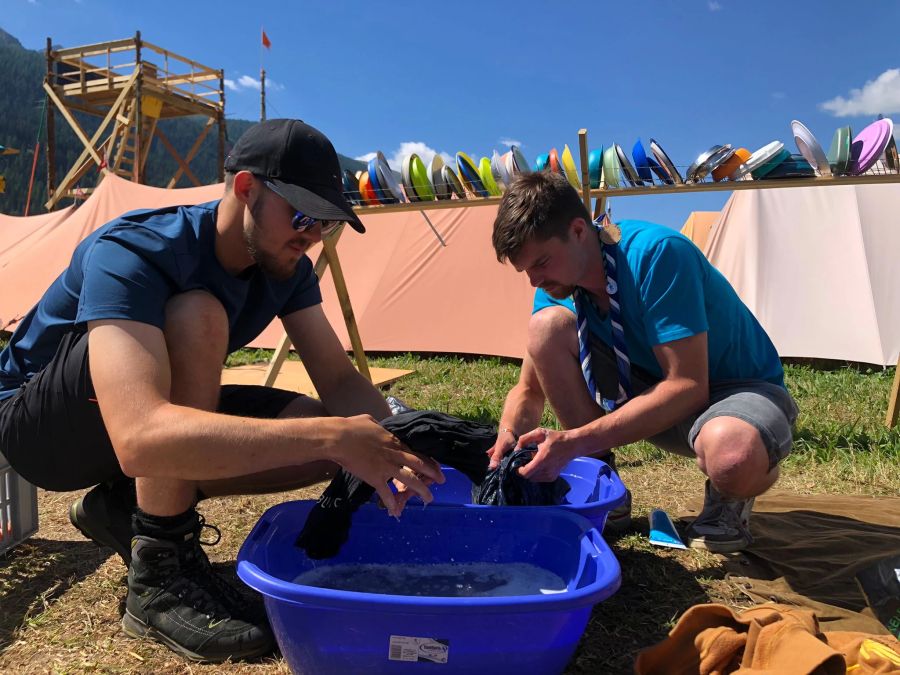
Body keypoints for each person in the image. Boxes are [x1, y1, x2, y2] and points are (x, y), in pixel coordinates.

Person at [0, 119, 443, 663]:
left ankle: (124, 508)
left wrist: (401, 446)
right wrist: (332, 437)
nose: (311, 236)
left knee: (325, 424)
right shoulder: (136, 250)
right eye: (302, 214)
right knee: (200, 314)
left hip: (129, 422)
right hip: (37, 430)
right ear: (244, 188)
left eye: (325, 223)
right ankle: (158, 577)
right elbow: (139, 438)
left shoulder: (286, 264)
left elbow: (339, 380)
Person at [488, 171, 798, 552]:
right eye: (526, 271)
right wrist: (505, 438)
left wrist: (572, 444)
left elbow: (687, 385)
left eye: (542, 262)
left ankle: (735, 489)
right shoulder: (557, 287)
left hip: (733, 389)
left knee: (733, 457)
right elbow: (527, 389)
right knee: (544, 328)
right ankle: (606, 488)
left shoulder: (654, 254)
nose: (534, 281)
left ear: (580, 230)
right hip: (650, 389)